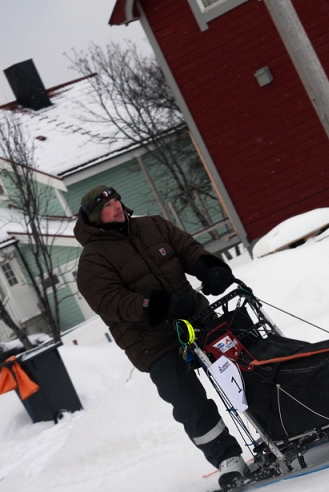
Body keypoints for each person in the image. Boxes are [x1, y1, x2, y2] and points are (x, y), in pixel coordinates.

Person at [74, 186, 246, 490]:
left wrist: (209, 268)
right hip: (153, 341)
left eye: (116, 201)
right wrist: (155, 306)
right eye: (107, 206)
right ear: (94, 217)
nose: (115, 207)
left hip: (196, 318)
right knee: (189, 402)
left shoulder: (152, 225)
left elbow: (188, 249)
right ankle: (227, 458)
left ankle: (277, 425)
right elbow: (111, 301)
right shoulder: (92, 262)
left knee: (244, 364)